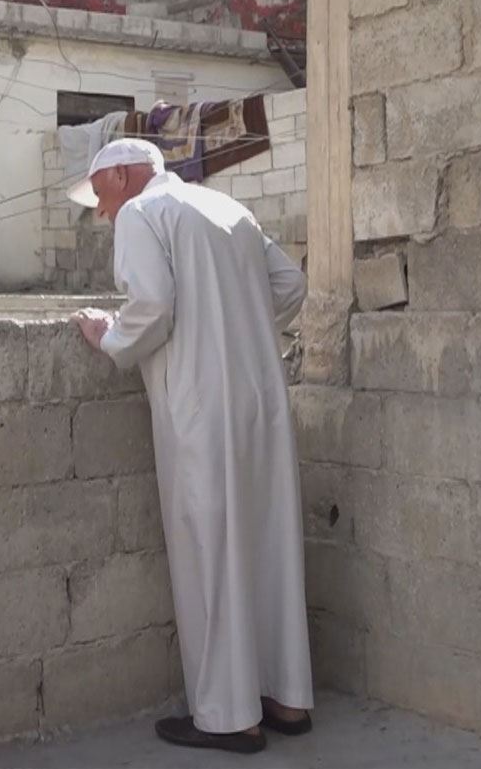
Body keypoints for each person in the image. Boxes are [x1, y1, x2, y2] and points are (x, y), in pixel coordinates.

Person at [69, 139, 313, 755]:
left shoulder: (140, 214)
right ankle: (287, 700)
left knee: (209, 551)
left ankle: (230, 718)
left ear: (122, 175)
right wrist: (237, 328)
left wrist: (108, 336)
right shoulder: (226, 209)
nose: (101, 212)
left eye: (100, 194)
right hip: (260, 398)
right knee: (268, 542)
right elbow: (290, 284)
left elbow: (150, 306)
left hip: (201, 408)